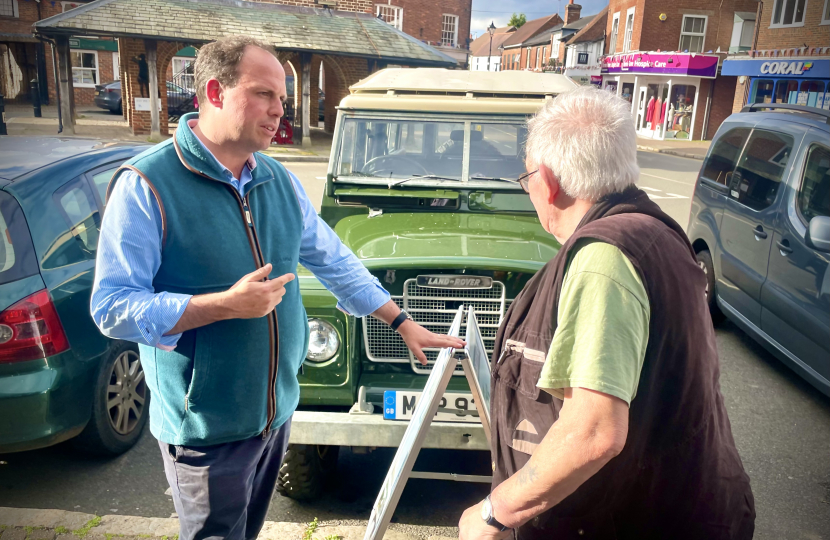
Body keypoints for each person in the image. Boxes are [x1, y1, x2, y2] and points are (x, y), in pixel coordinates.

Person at [91, 36, 464, 540]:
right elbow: (112, 307)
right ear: (215, 91)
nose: (278, 112)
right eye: (264, 94)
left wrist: (401, 322)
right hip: (206, 428)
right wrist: (221, 306)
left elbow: (337, 262)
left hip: (275, 415)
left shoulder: (279, 181)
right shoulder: (147, 183)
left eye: (283, 99)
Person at [458, 86, 755, 539]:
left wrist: (494, 512)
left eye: (526, 179)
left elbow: (594, 432)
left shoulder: (605, 260)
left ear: (549, 180)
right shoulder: (649, 230)